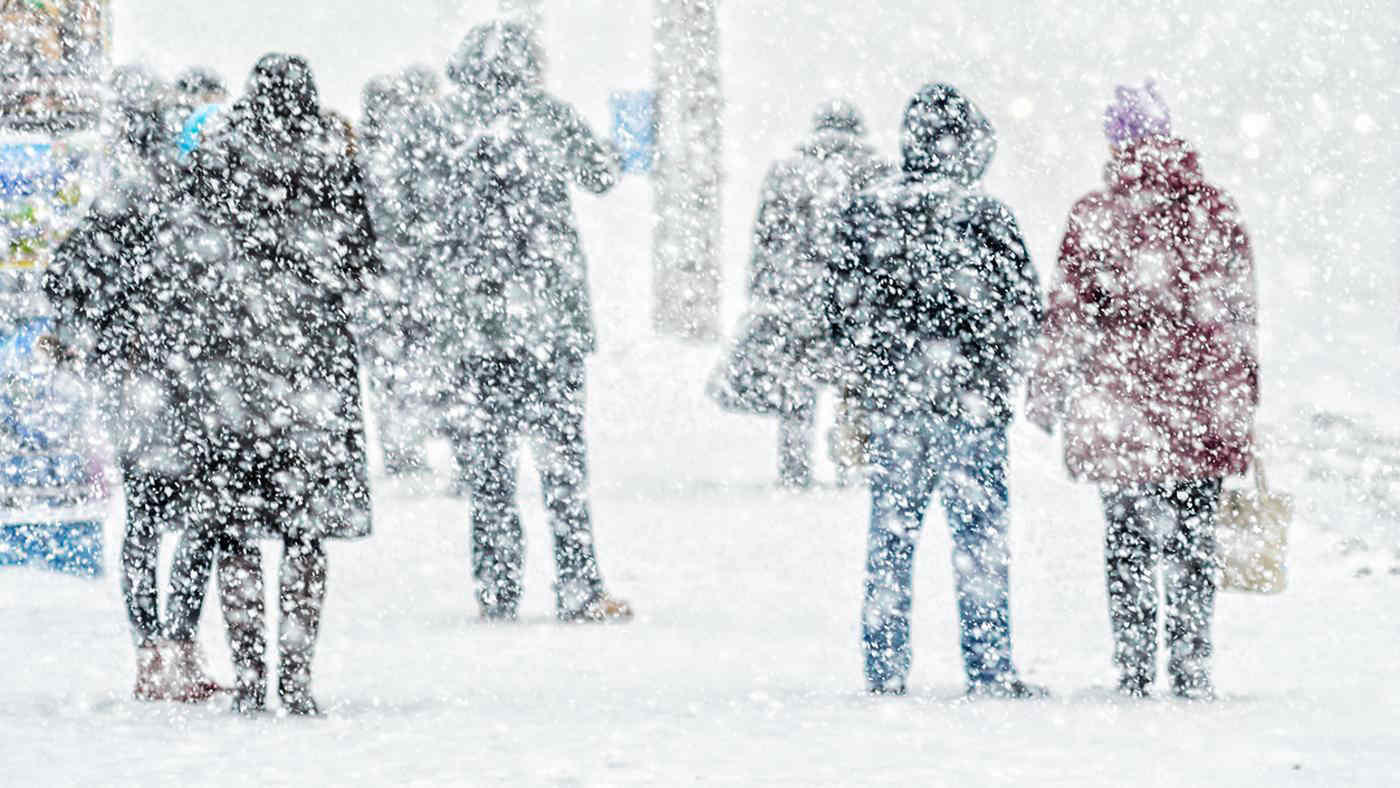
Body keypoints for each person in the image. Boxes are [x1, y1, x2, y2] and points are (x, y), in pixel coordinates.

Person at [1026, 82, 1259, 701]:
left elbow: (1068, 313)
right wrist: (1241, 404)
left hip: (1121, 402)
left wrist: (1046, 395)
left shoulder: (1096, 215)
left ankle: (1133, 670)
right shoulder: (1217, 212)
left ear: (1116, 141)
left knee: (1126, 543)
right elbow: (1239, 318)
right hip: (1200, 403)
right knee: (1193, 543)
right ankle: (1191, 667)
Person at [829, 83, 1046, 698]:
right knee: (979, 541)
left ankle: (885, 669)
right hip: (971, 407)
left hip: (896, 405)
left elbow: (839, 312)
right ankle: (989, 668)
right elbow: (1025, 310)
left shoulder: (866, 212)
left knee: (890, 541)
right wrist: (986, 354)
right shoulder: (985, 216)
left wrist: (877, 363)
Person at [418, 21, 632, 622]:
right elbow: (600, 175)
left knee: (488, 468)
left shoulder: (443, 121)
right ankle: (579, 588)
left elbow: (408, 204)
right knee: (563, 465)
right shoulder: (546, 115)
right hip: (549, 326)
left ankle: (496, 589)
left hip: (474, 327)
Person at [189, 53, 379, 715]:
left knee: (235, 531)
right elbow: (362, 260)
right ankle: (296, 681)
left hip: (234, 374)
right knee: (306, 534)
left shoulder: (217, 156)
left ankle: (249, 680)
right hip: (312, 373)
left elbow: (192, 260)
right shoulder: (333, 155)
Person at [45, 64, 221, 702]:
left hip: (132, 377)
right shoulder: (196, 202)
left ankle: (151, 654)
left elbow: (63, 282)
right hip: (195, 379)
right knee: (200, 517)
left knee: (145, 517)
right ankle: (180, 644)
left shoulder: (117, 202)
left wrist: (93, 334)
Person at [728, 101, 890, 488]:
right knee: (854, 385)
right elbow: (883, 244)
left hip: (794, 298)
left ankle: (795, 467)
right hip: (851, 302)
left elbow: (765, 238)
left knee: (797, 385)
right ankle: (853, 464)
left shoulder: (786, 172)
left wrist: (761, 290)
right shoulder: (876, 173)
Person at [358, 66, 441, 478]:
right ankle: (409, 443)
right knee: (418, 363)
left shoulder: (360, 156)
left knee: (389, 368)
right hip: (412, 278)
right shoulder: (417, 154)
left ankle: (401, 446)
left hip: (381, 281)